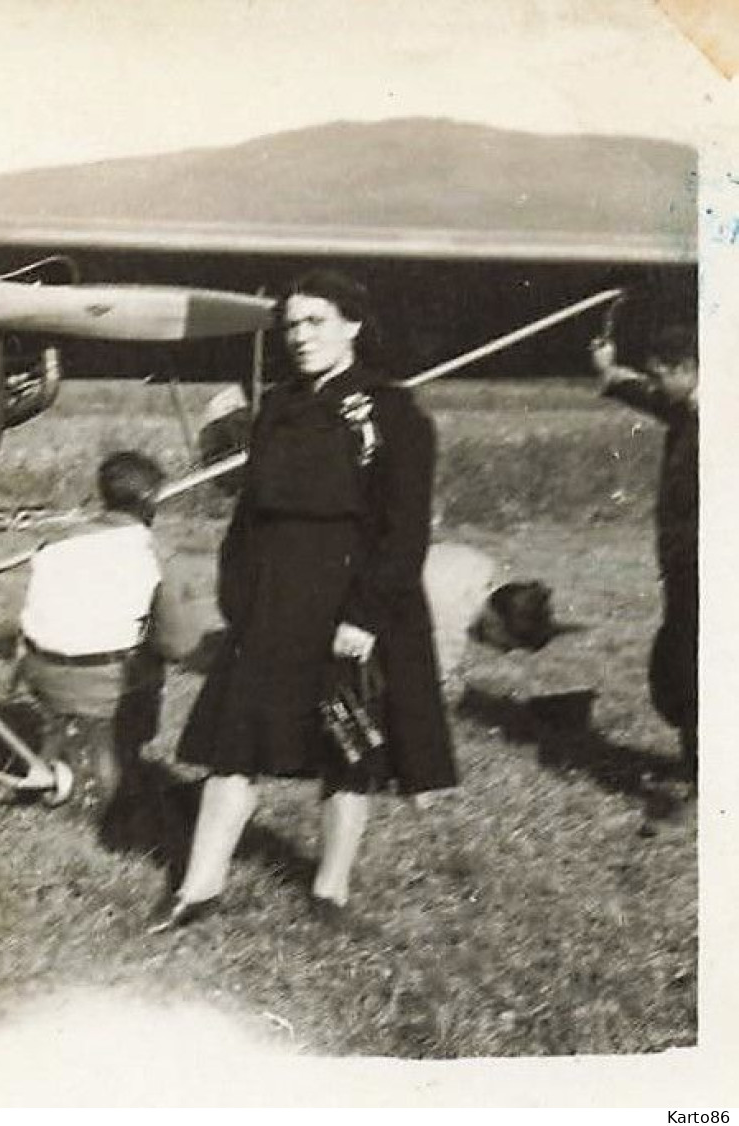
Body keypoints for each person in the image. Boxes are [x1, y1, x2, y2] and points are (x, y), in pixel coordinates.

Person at [156, 269, 456, 932]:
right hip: (271, 600)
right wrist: (238, 591)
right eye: (290, 325)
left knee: (347, 749)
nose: (298, 337)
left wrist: (364, 617)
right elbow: (249, 515)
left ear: (352, 325)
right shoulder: (275, 408)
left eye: (314, 321)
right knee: (235, 744)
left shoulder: (392, 412)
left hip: (349, 602)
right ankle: (197, 888)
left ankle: (330, 891)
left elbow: (403, 530)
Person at [16, 451, 203, 819]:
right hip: (104, 682)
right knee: (153, 650)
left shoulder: (54, 544)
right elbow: (179, 644)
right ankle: (118, 765)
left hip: (41, 674)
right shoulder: (156, 555)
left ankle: (64, 746)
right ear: (151, 499)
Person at [591, 323, 698, 831]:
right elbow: (655, 400)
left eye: (661, 375)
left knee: (694, 671)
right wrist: (611, 374)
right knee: (678, 667)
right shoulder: (690, 403)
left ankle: (704, 782)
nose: (655, 384)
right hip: (683, 568)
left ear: (687, 369)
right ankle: (699, 766)